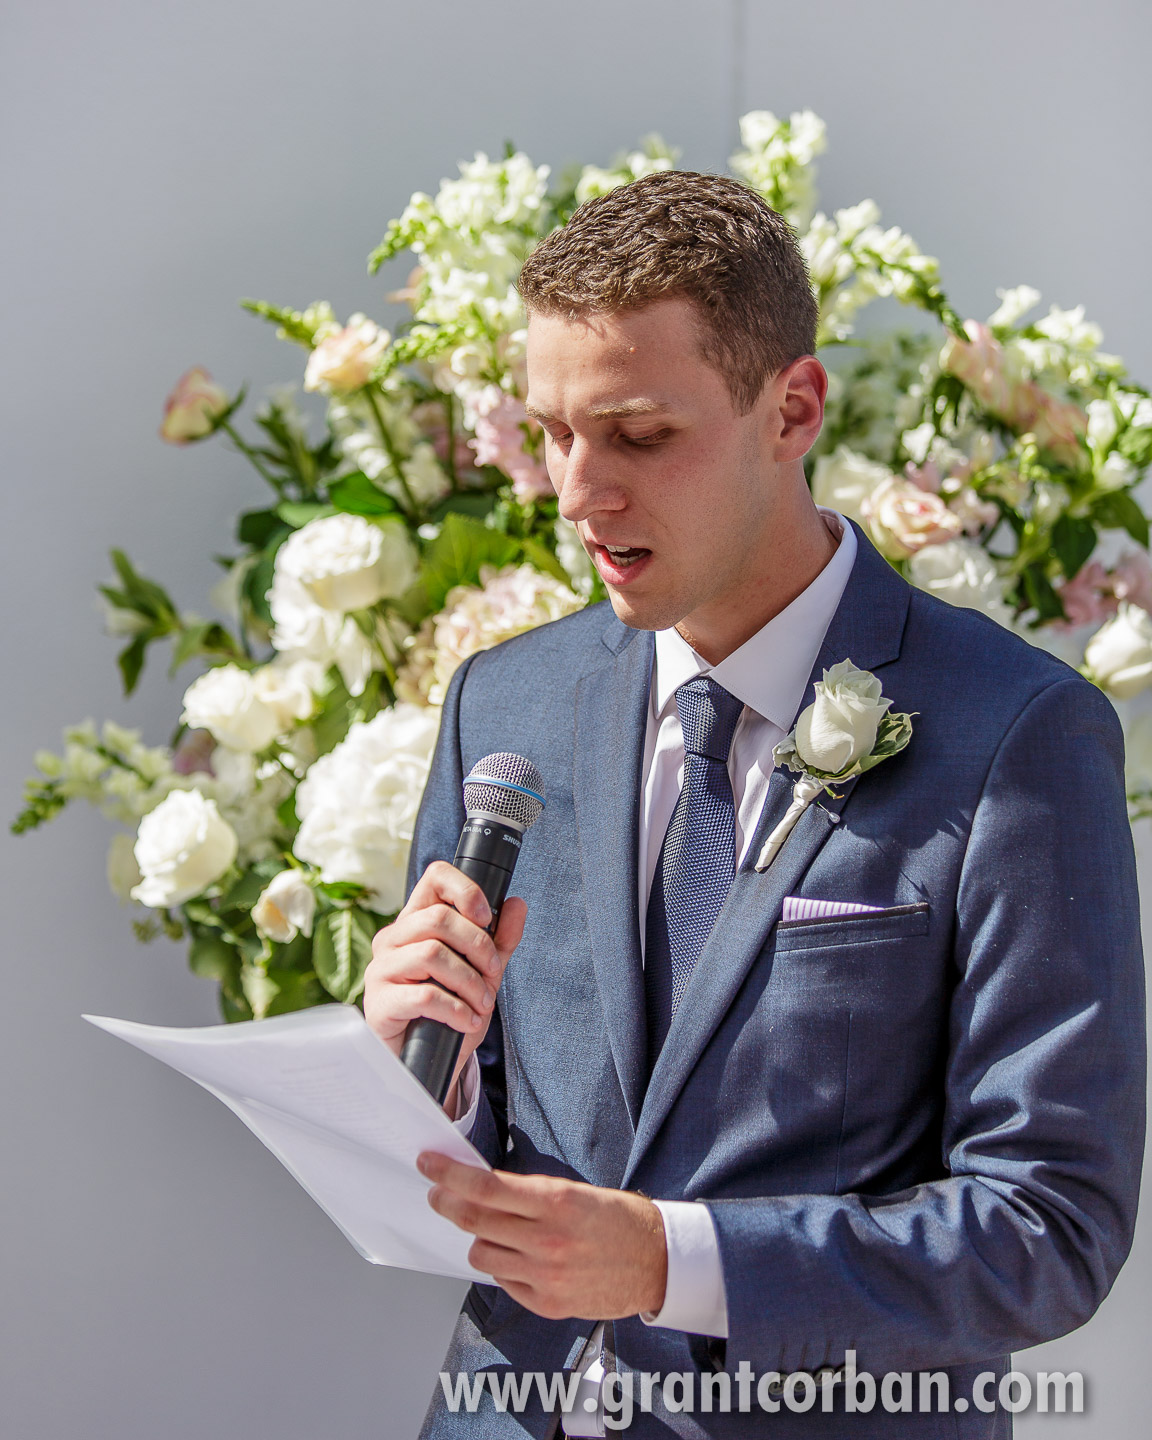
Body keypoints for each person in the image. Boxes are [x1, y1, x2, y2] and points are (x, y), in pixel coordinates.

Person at [364, 171, 1146, 1439]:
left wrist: (675, 1261)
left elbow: (1049, 1227)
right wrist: (418, 1072)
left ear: (794, 408)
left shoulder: (1017, 734)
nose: (576, 492)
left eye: (638, 434)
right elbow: (470, 1145)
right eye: (554, 433)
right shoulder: (502, 706)